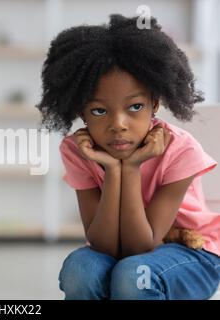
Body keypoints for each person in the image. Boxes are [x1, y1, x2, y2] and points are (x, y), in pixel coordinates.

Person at [37, 14, 220, 300]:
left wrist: (131, 168)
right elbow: (102, 245)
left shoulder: (180, 150)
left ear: (154, 104)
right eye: (99, 111)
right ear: (81, 112)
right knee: (79, 269)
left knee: (134, 276)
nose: (118, 124)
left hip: (194, 253)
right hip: (122, 251)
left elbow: (140, 247)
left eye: (135, 106)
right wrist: (112, 170)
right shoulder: (78, 151)